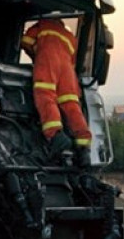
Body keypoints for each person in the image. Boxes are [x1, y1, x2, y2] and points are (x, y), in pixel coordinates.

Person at [21, 18, 91, 166]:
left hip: (47, 60)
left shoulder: (42, 25)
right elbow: (72, 61)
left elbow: (26, 40)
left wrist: (37, 55)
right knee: (71, 104)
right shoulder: (69, 36)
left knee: (46, 95)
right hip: (67, 70)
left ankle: (56, 137)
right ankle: (83, 146)